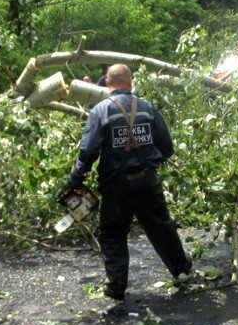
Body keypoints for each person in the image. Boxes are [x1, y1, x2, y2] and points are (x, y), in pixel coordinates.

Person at [64, 64, 192, 302]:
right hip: (147, 182)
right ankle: (181, 271)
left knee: (113, 234)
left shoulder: (101, 111)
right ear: (130, 82)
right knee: (162, 227)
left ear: (107, 84)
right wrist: (150, 163)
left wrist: (77, 176)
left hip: (115, 187)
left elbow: (88, 150)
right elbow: (167, 147)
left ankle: (116, 288)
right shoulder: (147, 108)